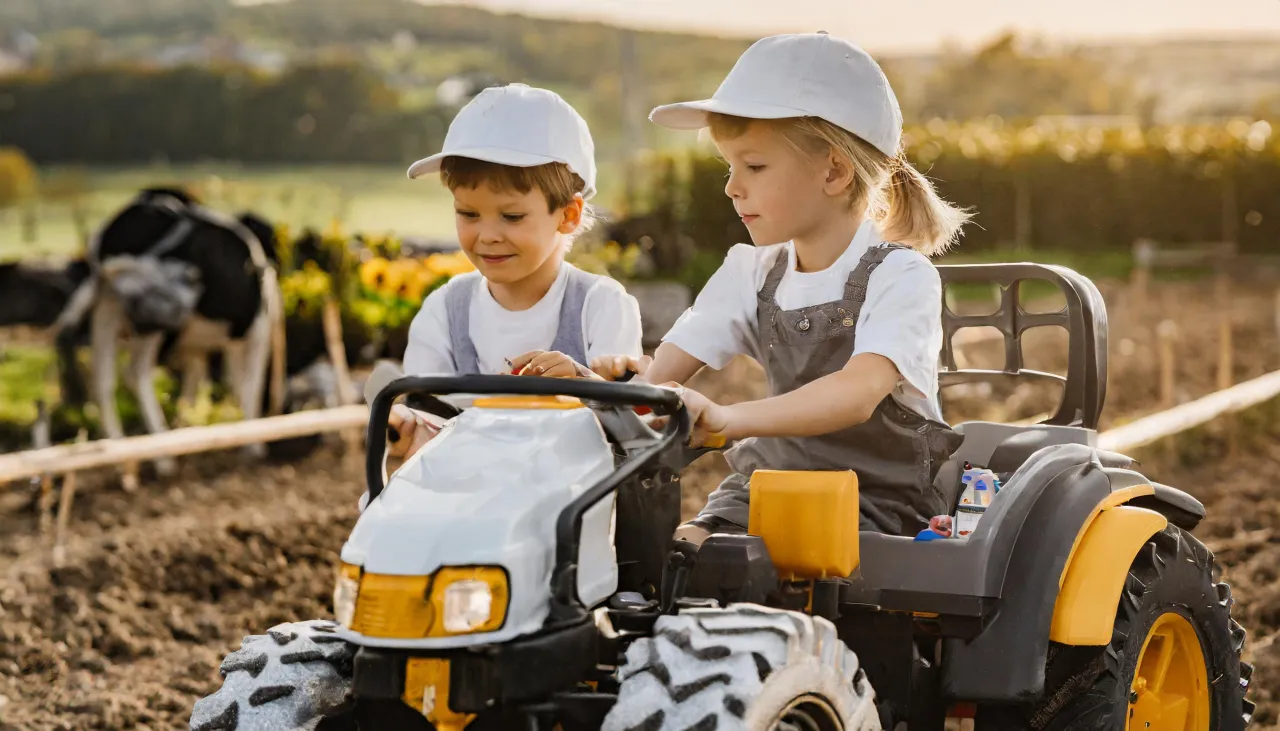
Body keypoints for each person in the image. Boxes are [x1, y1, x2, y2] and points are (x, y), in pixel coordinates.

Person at [593, 32, 971, 540]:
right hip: (772, 485)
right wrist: (614, 389)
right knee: (679, 557)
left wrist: (728, 418)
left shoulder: (901, 276)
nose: (732, 187)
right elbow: (661, 377)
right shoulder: (751, 272)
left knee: (756, 564)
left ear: (834, 171)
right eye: (730, 166)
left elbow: (856, 394)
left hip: (878, 502)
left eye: (754, 166)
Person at [389, 83, 643, 458]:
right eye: (468, 213)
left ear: (568, 215)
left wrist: (584, 380)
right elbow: (425, 419)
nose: (488, 235)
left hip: (575, 491)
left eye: (511, 216)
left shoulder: (602, 307)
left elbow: (631, 426)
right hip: (466, 485)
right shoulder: (444, 311)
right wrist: (408, 427)